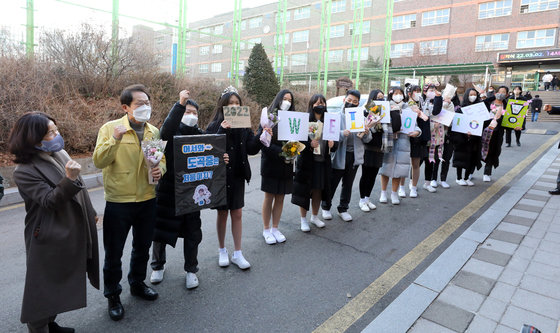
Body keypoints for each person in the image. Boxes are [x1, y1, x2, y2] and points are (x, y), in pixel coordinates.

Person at [9, 112, 99, 332]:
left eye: (56, 130)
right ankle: (39, 327)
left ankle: (51, 323)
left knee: (59, 283)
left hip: (70, 226)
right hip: (47, 234)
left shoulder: (59, 153)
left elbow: (82, 191)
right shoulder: (24, 171)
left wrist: (91, 212)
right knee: (43, 287)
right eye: (51, 132)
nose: (57, 135)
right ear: (35, 137)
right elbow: (49, 201)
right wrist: (68, 179)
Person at [93, 84, 166, 321]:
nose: (145, 107)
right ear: (125, 107)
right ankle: (113, 295)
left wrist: (160, 171)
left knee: (142, 247)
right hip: (119, 201)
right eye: (139, 104)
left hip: (147, 198)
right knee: (113, 253)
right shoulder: (110, 129)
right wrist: (114, 139)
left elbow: (160, 160)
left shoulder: (153, 131)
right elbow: (99, 161)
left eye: (147, 103)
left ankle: (137, 283)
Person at [150, 90, 228, 288]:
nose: (191, 115)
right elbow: (163, 136)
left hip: (192, 194)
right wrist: (180, 104)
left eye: (194, 112)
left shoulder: (201, 135)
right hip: (168, 192)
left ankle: (191, 269)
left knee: (192, 233)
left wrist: (222, 159)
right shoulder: (168, 132)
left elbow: (213, 153)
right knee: (160, 232)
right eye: (187, 111)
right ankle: (157, 266)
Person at [206, 86, 265, 269]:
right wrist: (222, 130)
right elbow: (209, 149)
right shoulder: (214, 125)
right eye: (230, 103)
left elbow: (251, 148)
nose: (234, 106)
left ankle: (238, 253)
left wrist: (262, 135)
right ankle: (222, 249)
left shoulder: (244, 125)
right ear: (223, 105)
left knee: (237, 213)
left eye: (237, 103)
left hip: (238, 174)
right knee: (222, 213)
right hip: (221, 176)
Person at [321, 89, 372, 222]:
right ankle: (326, 206)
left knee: (348, 184)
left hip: (354, 156)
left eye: (355, 102)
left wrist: (366, 132)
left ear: (358, 104)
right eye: (349, 100)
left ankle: (343, 208)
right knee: (332, 182)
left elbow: (368, 139)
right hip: (339, 155)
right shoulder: (335, 116)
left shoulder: (362, 117)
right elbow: (329, 135)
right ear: (344, 101)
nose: (351, 103)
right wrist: (342, 133)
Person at [292, 94, 335, 231]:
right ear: (311, 105)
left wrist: (333, 144)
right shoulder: (305, 121)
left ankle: (315, 216)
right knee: (305, 190)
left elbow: (335, 143)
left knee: (318, 190)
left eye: (322, 103)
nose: (319, 105)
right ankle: (303, 219)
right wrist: (309, 144)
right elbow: (297, 141)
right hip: (307, 162)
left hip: (323, 162)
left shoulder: (329, 121)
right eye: (316, 103)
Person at [260, 89, 295, 244]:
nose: (287, 102)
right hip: (271, 163)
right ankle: (266, 229)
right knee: (269, 197)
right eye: (284, 98)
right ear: (278, 99)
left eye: (290, 100)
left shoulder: (294, 119)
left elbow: (297, 139)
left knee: (280, 197)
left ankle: (275, 227)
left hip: (286, 164)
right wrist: (281, 151)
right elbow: (263, 143)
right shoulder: (269, 116)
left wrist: (294, 151)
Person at [379, 87, 422, 205]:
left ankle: (394, 193)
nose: (398, 96)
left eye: (400, 93)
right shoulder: (385, 107)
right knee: (385, 168)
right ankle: (383, 193)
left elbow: (415, 125)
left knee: (399, 170)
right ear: (391, 95)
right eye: (395, 93)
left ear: (403, 96)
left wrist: (417, 132)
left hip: (404, 143)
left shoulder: (408, 109)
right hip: (389, 142)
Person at [402, 85, 432, 197]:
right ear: (409, 93)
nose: (417, 93)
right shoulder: (405, 105)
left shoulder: (424, 105)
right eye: (415, 91)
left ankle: (413, 187)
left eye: (419, 91)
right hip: (405, 136)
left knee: (416, 164)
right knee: (403, 164)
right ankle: (401, 187)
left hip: (419, 138)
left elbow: (429, 118)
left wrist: (420, 113)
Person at [358, 89, 385, 211]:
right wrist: (373, 122)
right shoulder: (366, 112)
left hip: (379, 148)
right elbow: (366, 130)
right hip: (368, 148)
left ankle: (367, 198)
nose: (381, 100)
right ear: (372, 98)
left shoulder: (385, 113)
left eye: (382, 98)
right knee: (366, 174)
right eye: (378, 97)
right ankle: (362, 200)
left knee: (373, 175)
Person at [453, 89, 483, 186]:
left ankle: (467, 177)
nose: (473, 96)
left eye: (475, 94)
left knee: (472, 157)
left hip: (475, 138)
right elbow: (457, 123)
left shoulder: (479, 109)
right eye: (471, 94)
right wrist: (464, 132)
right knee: (461, 157)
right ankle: (459, 178)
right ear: (467, 95)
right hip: (462, 138)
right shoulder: (461, 108)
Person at [481, 86, 506, 182]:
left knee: (492, 152)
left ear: (506, 94)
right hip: (484, 131)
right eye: (500, 92)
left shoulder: (507, 105)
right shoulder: (488, 102)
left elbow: (511, 120)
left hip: (497, 134)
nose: (501, 94)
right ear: (495, 93)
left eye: (503, 92)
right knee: (478, 150)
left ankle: (487, 172)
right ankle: (470, 172)